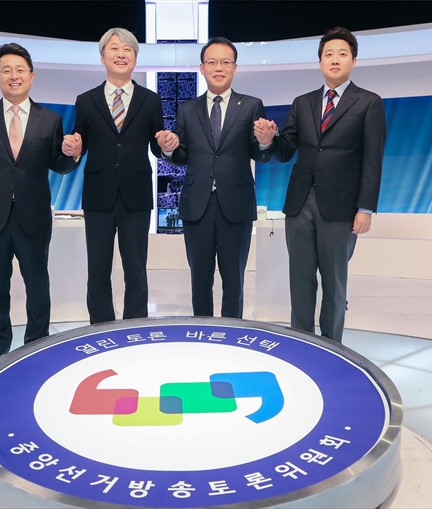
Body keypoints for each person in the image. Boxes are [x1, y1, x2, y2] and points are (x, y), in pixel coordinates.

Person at [0, 43, 78, 367]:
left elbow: (58, 164)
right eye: (6, 70)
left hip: (34, 214)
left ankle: (37, 343)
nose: (13, 76)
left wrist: (72, 154)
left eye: (20, 70)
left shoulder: (50, 119)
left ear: (31, 75)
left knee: (37, 282)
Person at [272, 26, 386, 342]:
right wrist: (270, 139)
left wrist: (365, 208)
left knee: (334, 282)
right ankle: (302, 341)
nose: (335, 60)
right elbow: (285, 150)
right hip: (299, 205)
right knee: (300, 279)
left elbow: (373, 159)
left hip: (341, 207)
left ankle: (332, 346)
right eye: (328, 54)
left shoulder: (369, 103)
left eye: (342, 54)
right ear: (320, 61)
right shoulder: (303, 102)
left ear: (353, 61)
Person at [62, 28, 178, 324]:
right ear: (102, 57)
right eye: (114, 49)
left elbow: (156, 144)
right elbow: (80, 141)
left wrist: (165, 146)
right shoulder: (86, 100)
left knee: (136, 269)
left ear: (135, 59)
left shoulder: (150, 100)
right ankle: (100, 328)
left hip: (136, 195)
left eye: (128, 50)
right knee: (97, 269)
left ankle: (134, 327)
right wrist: (74, 149)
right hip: (98, 195)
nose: (121, 54)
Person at [165, 36, 277, 318]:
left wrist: (266, 142)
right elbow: (182, 156)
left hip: (236, 204)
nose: (218, 68)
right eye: (212, 62)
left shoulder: (251, 105)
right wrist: (169, 149)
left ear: (235, 68)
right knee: (200, 280)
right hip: (197, 205)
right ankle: (202, 332)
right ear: (202, 68)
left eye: (225, 62)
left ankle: (232, 334)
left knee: (234, 280)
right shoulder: (187, 109)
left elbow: (259, 154)